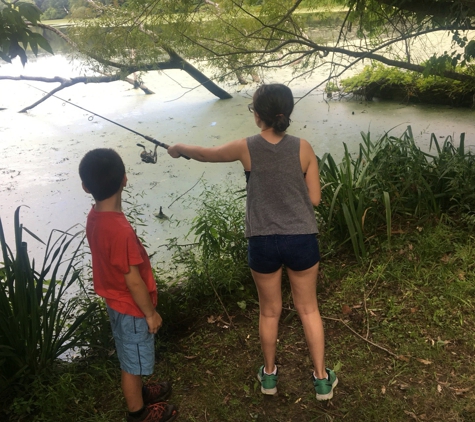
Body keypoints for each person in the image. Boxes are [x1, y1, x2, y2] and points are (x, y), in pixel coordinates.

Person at [167, 83, 337, 400]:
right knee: (308, 309)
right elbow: (314, 198)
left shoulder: (247, 148)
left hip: (262, 241)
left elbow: (206, 155)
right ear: (286, 114)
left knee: (270, 312)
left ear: (258, 116)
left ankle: (269, 377)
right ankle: (322, 379)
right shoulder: (304, 148)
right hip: (301, 239)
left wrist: (178, 148)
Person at [79, 149, 178, 422]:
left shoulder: (95, 217)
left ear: (86, 187)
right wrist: (150, 313)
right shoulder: (119, 231)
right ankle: (138, 412)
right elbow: (132, 279)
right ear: (125, 179)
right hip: (131, 308)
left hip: (115, 302)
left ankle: (141, 392)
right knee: (131, 365)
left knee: (129, 353)